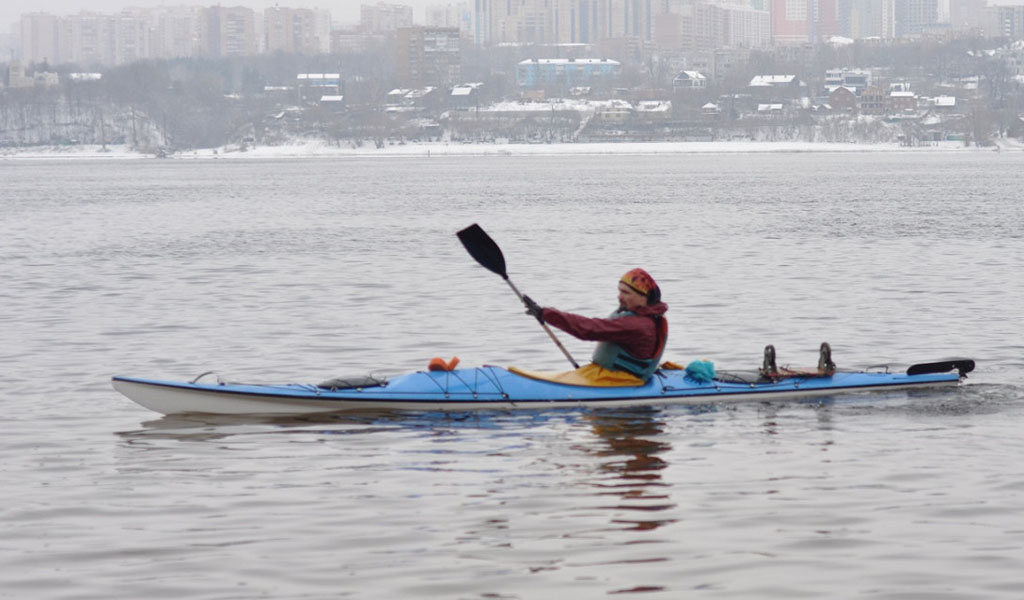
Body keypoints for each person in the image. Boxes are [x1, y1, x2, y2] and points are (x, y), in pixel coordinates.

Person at [523, 268, 668, 382]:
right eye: (619, 291)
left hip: (619, 380)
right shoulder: (639, 316)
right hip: (609, 374)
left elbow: (589, 329)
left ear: (644, 298)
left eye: (626, 293)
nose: (619, 296)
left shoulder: (638, 325)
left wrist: (545, 313)